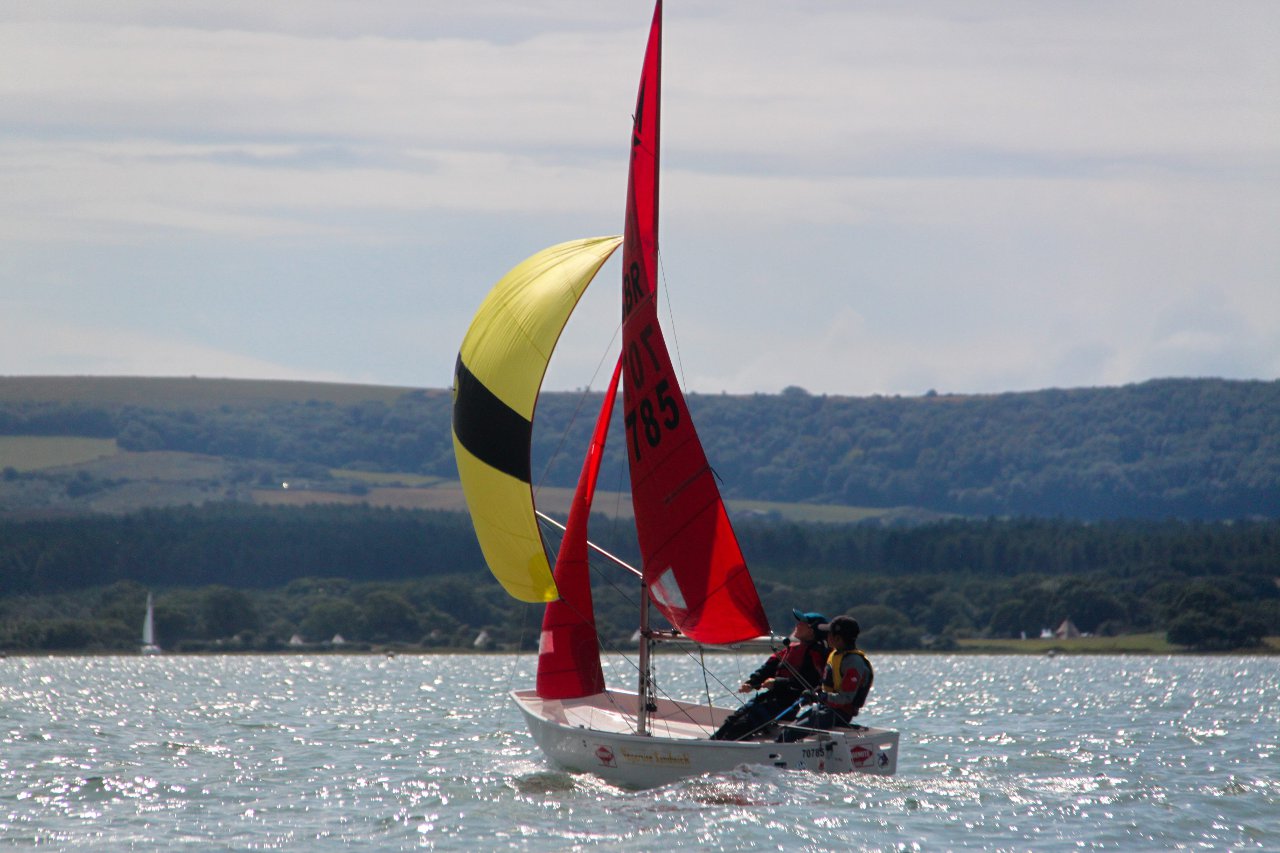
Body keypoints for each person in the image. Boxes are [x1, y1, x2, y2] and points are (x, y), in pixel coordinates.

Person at [709, 609, 828, 741]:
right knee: (734, 718)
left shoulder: (817, 654)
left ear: (812, 631)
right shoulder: (790, 649)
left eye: (802, 623)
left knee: (744, 724)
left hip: (788, 704)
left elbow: (809, 683)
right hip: (771, 699)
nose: (798, 624)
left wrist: (777, 683)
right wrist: (752, 682)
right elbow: (767, 669)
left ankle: (724, 747)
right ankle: (713, 743)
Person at [778, 614, 873, 742]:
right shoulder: (835, 654)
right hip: (827, 709)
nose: (826, 636)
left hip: (840, 714)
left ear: (838, 639)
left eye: (829, 634)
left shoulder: (854, 663)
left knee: (790, 733)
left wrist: (821, 697)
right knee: (787, 730)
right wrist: (814, 693)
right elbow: (828, 686)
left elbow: (845, 698)